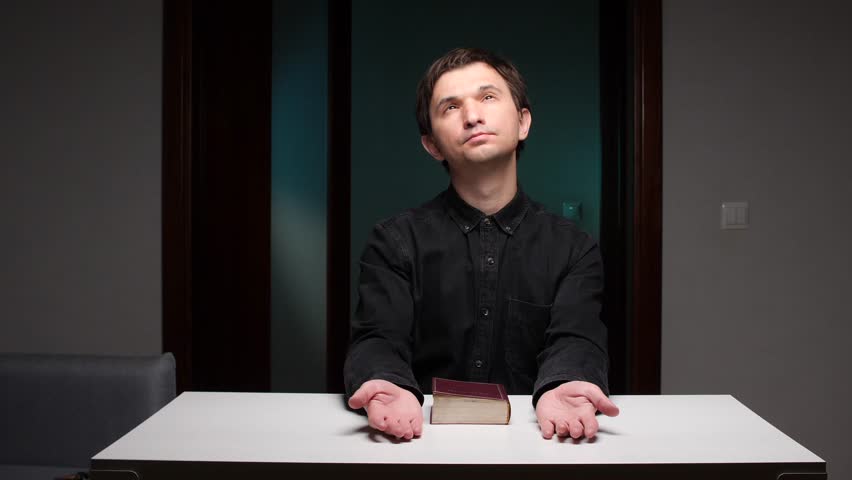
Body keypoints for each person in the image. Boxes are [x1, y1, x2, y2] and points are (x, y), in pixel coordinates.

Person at [344, 47, 619, 441]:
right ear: (432, 145)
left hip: (536, 447)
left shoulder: (574, 248)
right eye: (450, 107)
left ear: (523, 122)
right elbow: (378, 337)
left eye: (488, 97)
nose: (472, 116)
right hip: (416, 443)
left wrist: (568, 384)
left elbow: (576, 337)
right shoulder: (394, 242)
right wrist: (386, 384)